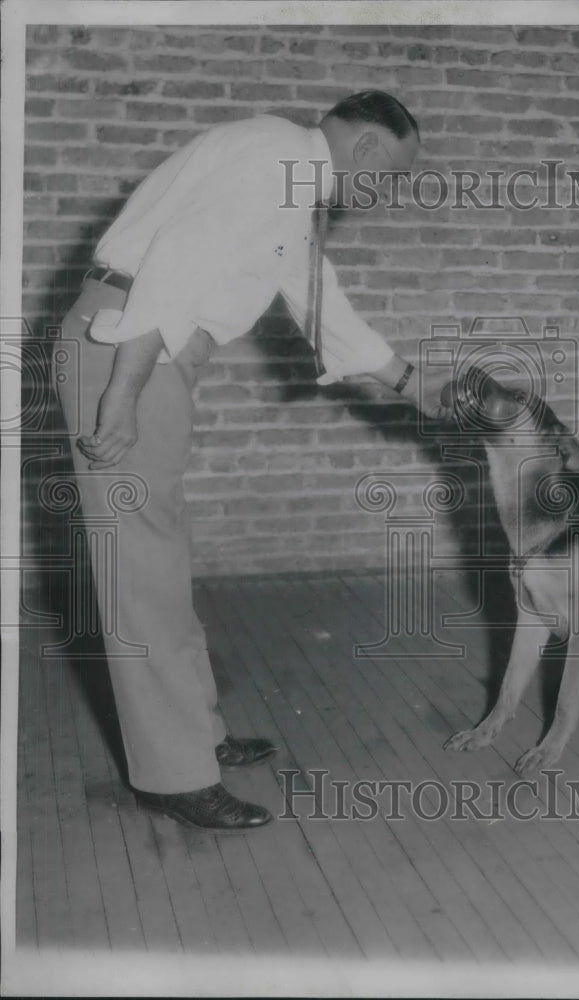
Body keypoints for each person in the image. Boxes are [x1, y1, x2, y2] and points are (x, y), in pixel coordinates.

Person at [56, 91, 447, 832]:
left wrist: (407, 381)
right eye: (390, 176)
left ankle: (196, 737)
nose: (383, 193)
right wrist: (125, 390)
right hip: (124, 349)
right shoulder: (274, 158)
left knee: (161, 557)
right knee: (141, 568)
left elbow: (316, 300)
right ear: (364, 149)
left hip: (146, 352)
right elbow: (173, 266)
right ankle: (174, 775)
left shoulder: (289, 178)